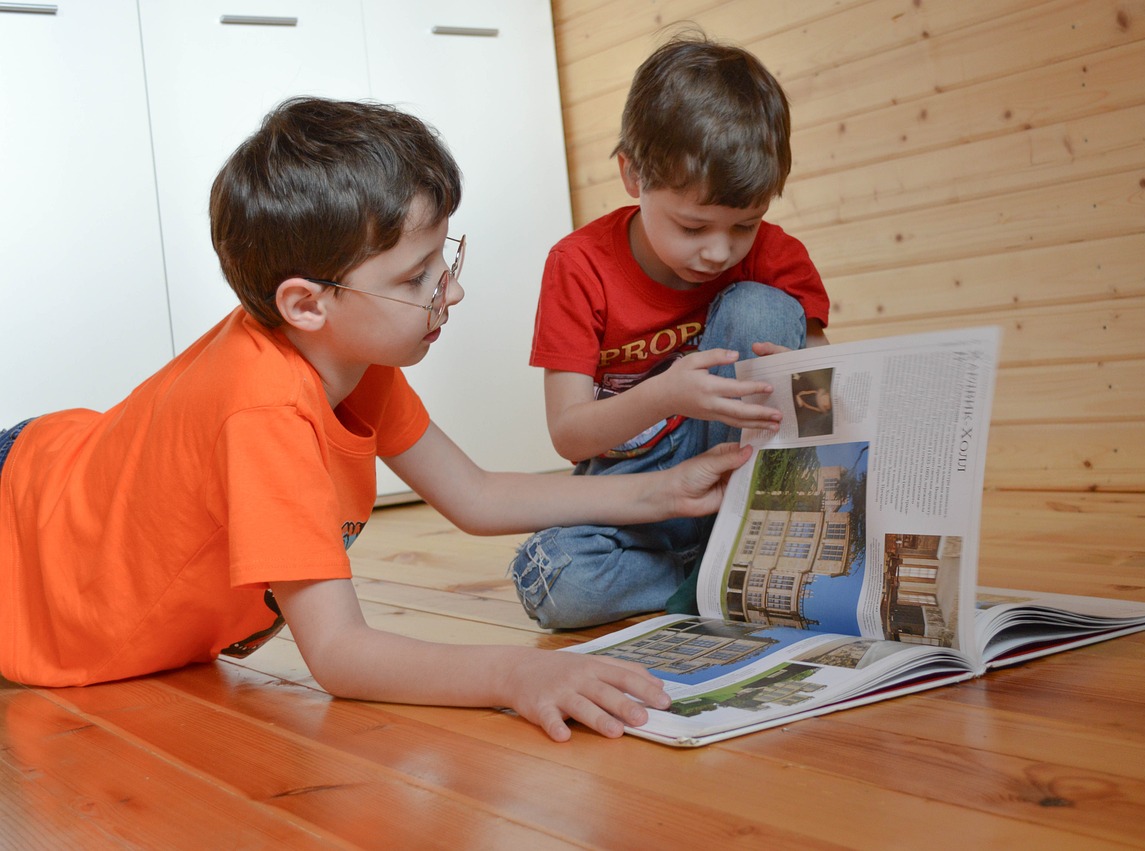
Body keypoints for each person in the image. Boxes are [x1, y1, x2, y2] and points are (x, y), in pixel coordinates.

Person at [0, 97, 756, 743]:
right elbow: (339, 653)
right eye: (415, 277)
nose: (449, 293)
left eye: (443, 260)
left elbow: (475, 494)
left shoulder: (348, 354)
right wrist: (516, 670)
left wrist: (663, 490)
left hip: (55, 467)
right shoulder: (266, 406)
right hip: (21, 539)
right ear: (307, 302)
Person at [510, 31, 830, 630]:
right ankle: (716, 571)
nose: (719, 250)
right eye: (693, 226)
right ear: (633, 176)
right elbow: (571, 435)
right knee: (553, 576)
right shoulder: (579, 264)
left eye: (745, 225)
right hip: (634, 490)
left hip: (738, 480)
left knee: (760, 306)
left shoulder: (775, 255)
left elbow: (826, 387)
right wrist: (665, 393)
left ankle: (728, 551)